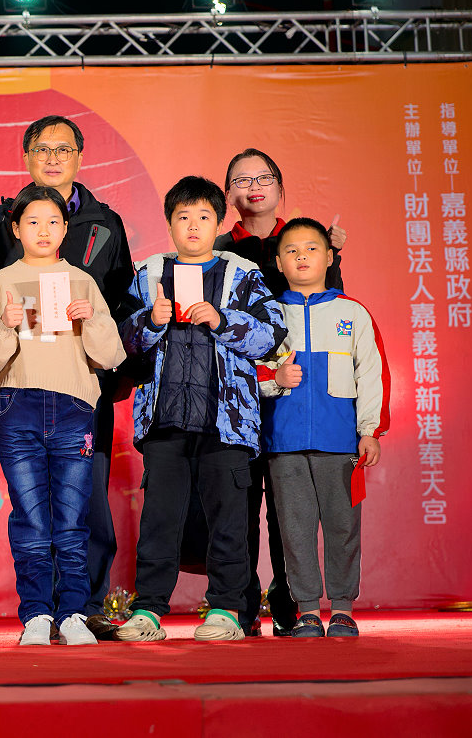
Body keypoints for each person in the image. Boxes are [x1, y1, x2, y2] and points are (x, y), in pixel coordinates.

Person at [0, 115, 135, 641]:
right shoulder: (4, 231)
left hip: (81, 395)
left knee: (83, 512)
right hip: (20, 395)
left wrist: (98, 335)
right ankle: (38, 611)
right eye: (42, 148)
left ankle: (82, 609)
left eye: (64, 148)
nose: (54, 156)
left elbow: (120, 311)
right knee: (32, 515)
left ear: (80, 157)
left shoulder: (104, 228)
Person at [116, 176, 284, 643]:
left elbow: (272, 334)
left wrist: (222, 319)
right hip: (164, 418)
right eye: (183, 217)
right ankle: (148, 611)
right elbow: (123, 344)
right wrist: (150, 322)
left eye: (203, 217)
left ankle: (227, 610)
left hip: (226, 422)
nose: (192, 226)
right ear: (169, 223)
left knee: (229, 518)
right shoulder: (148, 274)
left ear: (219, 223)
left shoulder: (242, 274)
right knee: (159, 520)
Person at [215, 148, 348, 636]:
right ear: (227, 193)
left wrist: (334, 254)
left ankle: (293, 602)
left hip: (297, 394)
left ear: (281, 187)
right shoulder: (218, 248)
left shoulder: (304, 240)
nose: (253, 186)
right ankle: (242, 602)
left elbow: (331, 315)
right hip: (239, 394)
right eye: (240, 179)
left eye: (263, 177)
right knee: (240, 505)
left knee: (291, 510)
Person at [258, 218, 389, 637]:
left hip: (339, 442)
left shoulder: (352, 312)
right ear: (278, 262)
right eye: (292, 250)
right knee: (293, 530)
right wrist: (272, 381)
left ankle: (344, 608)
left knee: (342, 525)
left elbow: (371, 373)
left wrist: (369, 429)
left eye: (311, 248)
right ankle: (309, 610)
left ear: (329, 257)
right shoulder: (268, 314)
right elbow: (246, 372)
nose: (302, 257)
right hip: (284, 442)